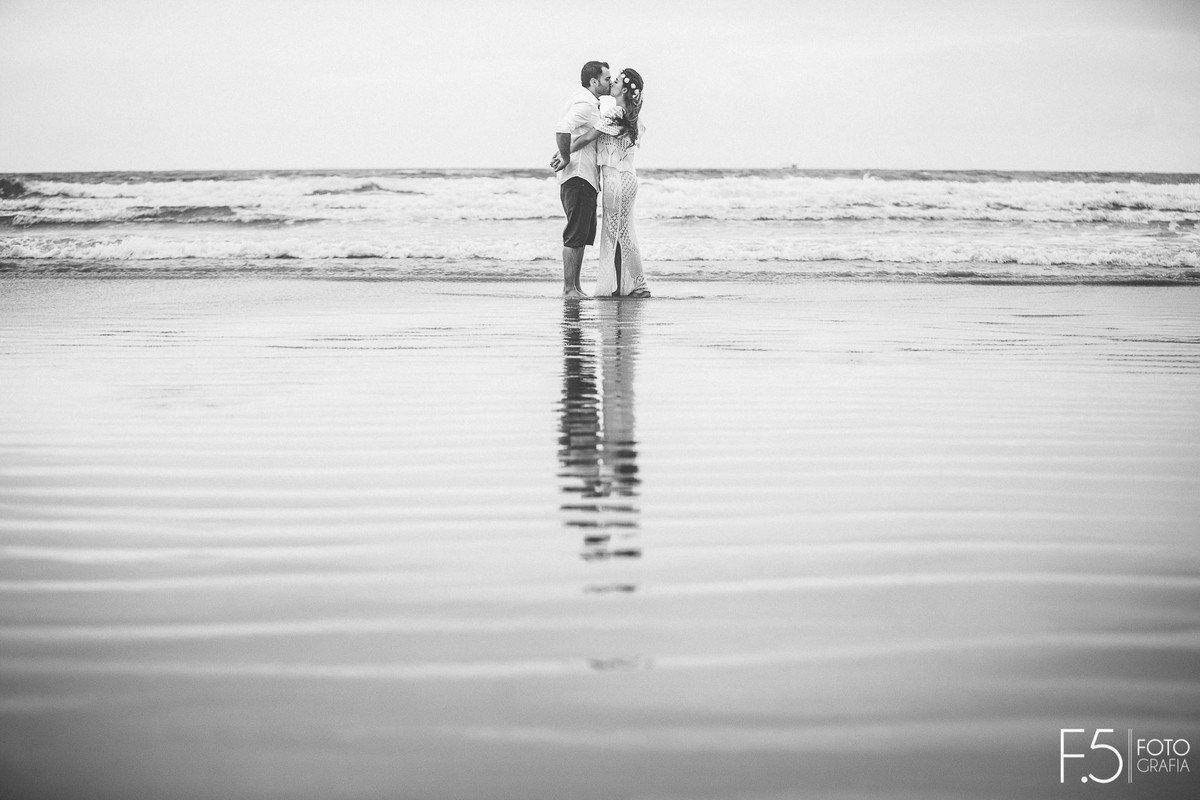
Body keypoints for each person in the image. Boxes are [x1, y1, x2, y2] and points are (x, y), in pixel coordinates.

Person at [554, 68, 650, 298]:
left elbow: (588, 137)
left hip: (616, 179)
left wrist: (562, 153)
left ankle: (639, 285)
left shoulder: (616, 112)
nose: (612, 83)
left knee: (621, 234)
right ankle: (622, 286)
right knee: (619, 233)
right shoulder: (628, 114)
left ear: (624, 90)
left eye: (615, 81)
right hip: (624, 178)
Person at [553, 61, 611, 298]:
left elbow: (582, 135)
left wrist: (566, 152)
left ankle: (576, 287)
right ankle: (569, 289)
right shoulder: (585, 103)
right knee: (575, 234)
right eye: (607, 79)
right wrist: (565, 156)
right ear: (594, 81)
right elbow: (562, 128)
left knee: (582, 235)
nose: (610, 82)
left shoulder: (588, 102)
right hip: (578, 176)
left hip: (585, 178)